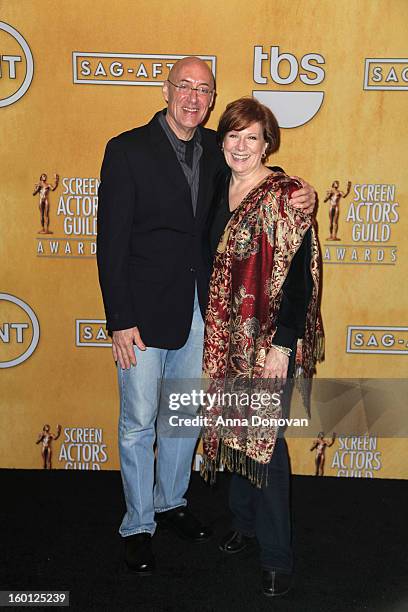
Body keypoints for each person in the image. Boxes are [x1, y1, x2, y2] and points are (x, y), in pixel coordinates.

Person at [97, 56, 316, 575]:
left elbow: (259, 183)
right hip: (143, 319)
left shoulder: (217, 157)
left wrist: (296, 187)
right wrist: (119, 319)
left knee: (183, 417)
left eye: (204, 90)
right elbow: (110, 244)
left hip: (204, 316)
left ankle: (172, 503)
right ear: (167, 89)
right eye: (185, 87)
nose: (194, 97)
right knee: (138, 423)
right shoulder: (126, 150)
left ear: (211, 100)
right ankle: (138, 522)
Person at [201, 97, 323, 597]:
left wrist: (283, 346)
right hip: (224, 336)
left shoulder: (286, 196)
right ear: (222, 141)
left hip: (269, 338)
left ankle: (276, 556)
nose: (241, 146)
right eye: (233, 135)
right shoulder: (218, 185)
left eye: (252, 137)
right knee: (234, 429)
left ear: (268, 143)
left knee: (265, 444)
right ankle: (244, 523)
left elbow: (300, 283)